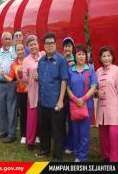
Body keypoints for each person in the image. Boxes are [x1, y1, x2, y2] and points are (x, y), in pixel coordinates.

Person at [36, 32, 68, 162]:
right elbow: (40, 77)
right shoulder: (41, 60)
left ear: (55, 44)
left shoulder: (61, 60)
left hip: (56, 102)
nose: (49, 45)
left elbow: (64, 80)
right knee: (44, 128)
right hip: (43, 101)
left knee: (57, 130)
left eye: (52, 43)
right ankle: (44, 150)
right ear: (43, 45)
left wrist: (61, 100)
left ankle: (57, 155)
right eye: (47, 43)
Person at [67, 44, 97, 162]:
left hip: (87, 105)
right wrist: (75, 99)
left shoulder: (90, 70)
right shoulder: (70, 71)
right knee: (75, 131)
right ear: (75, 56)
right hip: (74, 105)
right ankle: (77, 153)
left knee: (84, 132)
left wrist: (83, 99)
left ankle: (82, 157)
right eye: (79, 54)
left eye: (83, 54)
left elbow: (93, 86)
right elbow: (67, 87)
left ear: (86, 56)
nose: (81, 56)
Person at [0, 32, 17, 143]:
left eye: (9, 38)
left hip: (11, 84)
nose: (8, 40)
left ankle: (11, 134)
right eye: (5, 38)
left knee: (11, 109)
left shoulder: (15, 52)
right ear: (2, 40)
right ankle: (3, 130)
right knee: (2, 109)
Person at [1, 42, 27, 144]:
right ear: (15, 52)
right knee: (23, 114)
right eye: (18, 50)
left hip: (31, 92)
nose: (20, 51)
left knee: (33, 114)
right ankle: (24, 135)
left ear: (24, 50)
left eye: (21, 49)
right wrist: (3, 75)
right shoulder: (14, 64)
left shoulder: (29, 60)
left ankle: (36, 135)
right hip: (20, 92)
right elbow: (10, 79)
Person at [96, 47, 118, 162]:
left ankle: (114, 159)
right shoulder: (97, 71)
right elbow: (94, 88)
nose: (106, 58)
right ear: (100, 58)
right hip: (101, 109)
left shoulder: (116, 70)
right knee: (103, 135)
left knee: (114, 135)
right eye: (104, 56)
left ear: (112, 57)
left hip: (114, 108)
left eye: (109, 55)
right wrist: (96, 93)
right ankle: (107, 156)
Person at [22, 35, 44, 151]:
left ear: (38, 44)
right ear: (28, 47)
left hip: (45, 92)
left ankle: (44, 140)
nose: (33, 46)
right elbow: (24, 79)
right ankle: (30, 141)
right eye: (31, 45)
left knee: (44, 118)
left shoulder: (44, 56)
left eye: (35, 44)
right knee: (32, 118)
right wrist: (28, 76)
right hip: (33, 93)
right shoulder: (26, 60)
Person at [62, 37, 75, 155]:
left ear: (72, 48)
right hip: (61, 95)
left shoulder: (76, 61)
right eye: (65, 46)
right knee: (61, 121)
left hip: (72, 96)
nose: (67, 48)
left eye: (69, 46)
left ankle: (70, 145)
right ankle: (63, 143)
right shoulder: (60, 60)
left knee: (71, 121)